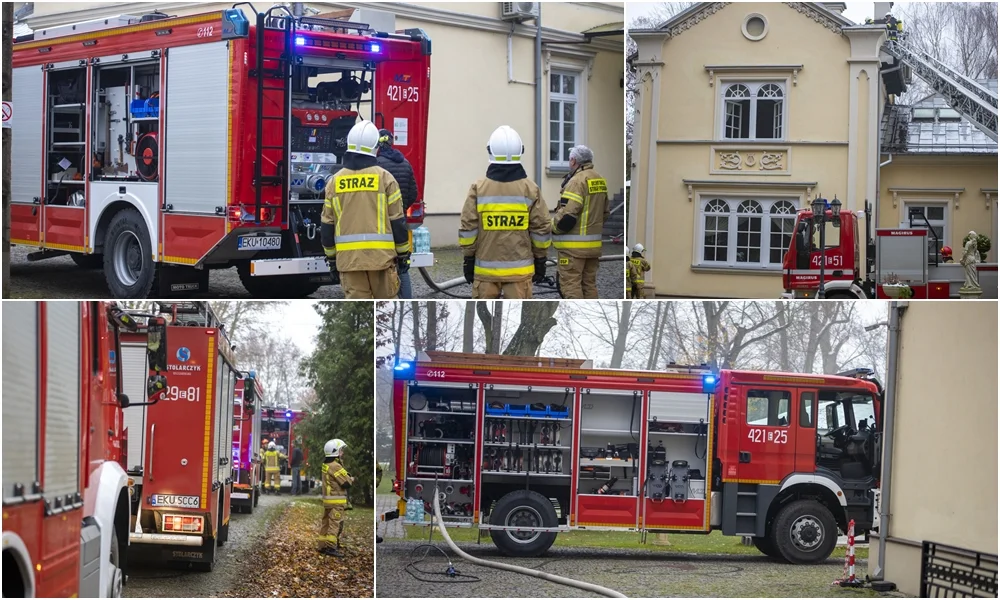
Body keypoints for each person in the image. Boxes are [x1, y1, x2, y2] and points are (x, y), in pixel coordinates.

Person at [459, 125, 551, 299]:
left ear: (490, 151)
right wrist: (540, 259)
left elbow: (468, 227)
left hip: (485, 272)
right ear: (520, 151)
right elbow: (541, 229)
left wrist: (468, 259)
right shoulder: (530, 189)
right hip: (520, 273)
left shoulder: (478, 188)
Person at [322, 121, 410, 299]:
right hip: (382, 261)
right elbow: (397, 221)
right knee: (385, 306)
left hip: (349, 262)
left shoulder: (334, 182)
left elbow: (327, 225)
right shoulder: (385, 179)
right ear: (375, 147)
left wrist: (331, 259)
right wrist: (403, 255)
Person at [551, 145, 609, 299]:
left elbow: (568, 216)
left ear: (573, 160)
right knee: (589, 285)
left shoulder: (577, 181)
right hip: (593, 248)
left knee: (571, 286)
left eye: (570, 159)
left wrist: (552, 227)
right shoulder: (599, 179)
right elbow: (605, 212)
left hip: (572, 250)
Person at [377, 128, 419, 299]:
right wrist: (401, 208)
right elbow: (413, 192)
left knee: (382, 265)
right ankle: (406, 299)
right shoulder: (405, 163)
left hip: (381, 224)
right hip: (400, 222)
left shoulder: (376, 166)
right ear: (391, 142)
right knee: (402, 264)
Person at [319, 439, 354, 557]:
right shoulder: (336, 466)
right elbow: (346, 483)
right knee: (334, 524)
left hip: (328, 500)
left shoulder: (326, 465)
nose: (342, 452)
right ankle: (331, 547)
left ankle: (322, 545)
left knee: (326, 523)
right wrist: (351, 478)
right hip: (336, 501)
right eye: (341, 450)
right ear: (335, 452)